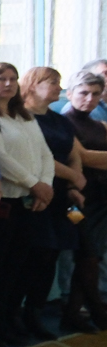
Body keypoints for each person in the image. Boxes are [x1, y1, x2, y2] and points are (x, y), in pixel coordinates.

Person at [0, 62, 55, 347]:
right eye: (1, 79)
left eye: (13, 79)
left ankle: (7, 318)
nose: (8, 84)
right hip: (2, 200)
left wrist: (45, 186)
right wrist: (34, 184)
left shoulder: (23, 114)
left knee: (18, 266)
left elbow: (44, 153)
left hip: (27, 201)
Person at [22, 66, 84, 340]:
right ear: (33, 85)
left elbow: (74, 153)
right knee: (37, 253)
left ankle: (35, 310)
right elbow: (39, 155)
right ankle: (19, 313)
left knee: (56, 252)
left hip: (62, 197)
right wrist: (72, 175)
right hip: (37, 192)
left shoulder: (59, 120)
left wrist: (73, 185)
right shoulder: (24, 118)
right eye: (53, 82)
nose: (59, 87)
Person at [61, 72, 107, 332]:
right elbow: (84, 158)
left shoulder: (99, 125)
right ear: (70, 93)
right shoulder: (64, 122)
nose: (89, 99)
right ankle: (96, 308)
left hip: (101, 200)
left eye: (95, 94)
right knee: (87, 253)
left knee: (91, 256)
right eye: (83, 93)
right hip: (74, 202)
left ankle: (73, 313)